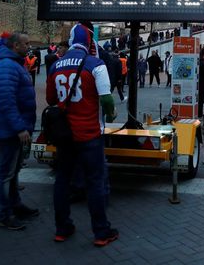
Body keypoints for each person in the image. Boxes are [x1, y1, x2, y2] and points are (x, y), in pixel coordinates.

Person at [46, 23, 118, 246]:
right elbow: (106, 99)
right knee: (95, 182)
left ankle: (62, 228)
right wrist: (111, 114)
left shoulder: (56, 65)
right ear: (89, 42)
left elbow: (51, 100)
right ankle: (100, 232)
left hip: (65, 135)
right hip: (89, 134)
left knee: (62, 181)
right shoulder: (96, 64)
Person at [0, 32, 38, 230]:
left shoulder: (13, 63)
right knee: (5, 173)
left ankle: (15, 205)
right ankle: (5, 214)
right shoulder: (5, 66)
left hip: (17, 127)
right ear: (16, 45)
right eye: (26, 43)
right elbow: (6, 100)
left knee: (14, 171)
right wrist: (19, 127)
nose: (29, 46)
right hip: (10, 129)